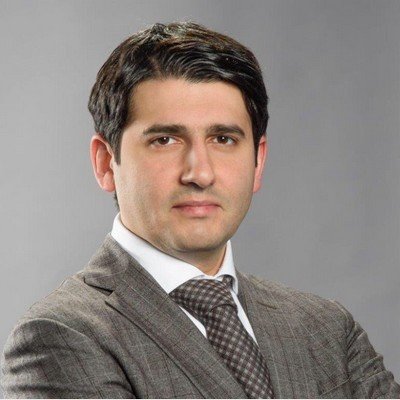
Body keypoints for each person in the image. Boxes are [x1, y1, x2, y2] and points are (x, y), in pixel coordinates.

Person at [1, 21, 399, 399]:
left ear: (258, 161)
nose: (200, 173)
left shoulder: (326, 329)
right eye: (165, 140)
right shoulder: (60, 337)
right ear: (106, 163)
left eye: (223, 139)